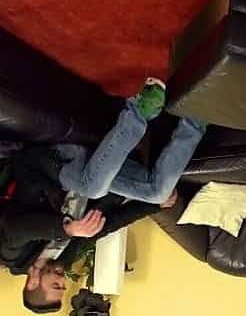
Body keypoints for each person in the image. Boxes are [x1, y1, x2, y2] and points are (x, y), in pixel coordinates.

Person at [0, 77, 206, 313]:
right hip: (92, 173)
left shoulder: (13, 257)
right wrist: (155, 206)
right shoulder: (64, 258)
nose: (63, 280)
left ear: (32, 283)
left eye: (56, 285)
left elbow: (18, 227)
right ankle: (197, 117)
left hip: (50, 167)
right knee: (157, 192)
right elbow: (109, 224)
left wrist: (68, 228)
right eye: (63, 286)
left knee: (93, 188)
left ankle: (138, 107)